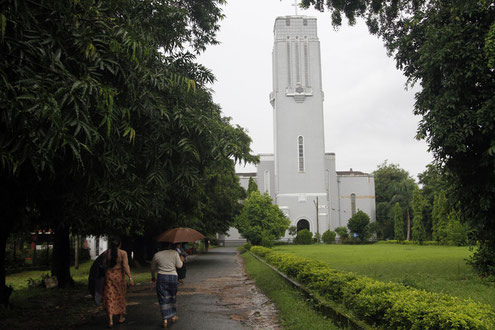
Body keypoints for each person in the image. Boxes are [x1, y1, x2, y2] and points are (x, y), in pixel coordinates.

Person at [103, 237, 134, 328]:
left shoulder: (106, 253)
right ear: (119, 244)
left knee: (110, 296)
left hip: (109, 275)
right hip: (119, 276)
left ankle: (111, 320)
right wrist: (130, 278)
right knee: (120, 295)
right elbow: (125, 265)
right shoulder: (123, 253)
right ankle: (120, 317)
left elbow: (104, 264)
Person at [151, 242, 184, 328]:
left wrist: (153, 277)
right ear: (169, 245)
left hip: (161, 277)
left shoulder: (157, 255)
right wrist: (181, 260)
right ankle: (173, 316)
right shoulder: (175, 253)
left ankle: (165, 319)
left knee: (163, 298)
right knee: (172, 296)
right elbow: (179, 266)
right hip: (173, 277)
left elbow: (152, 268)